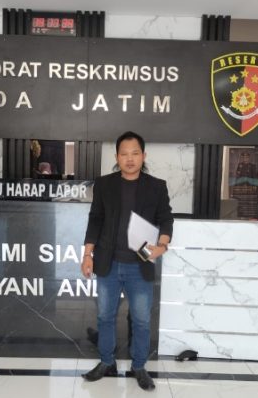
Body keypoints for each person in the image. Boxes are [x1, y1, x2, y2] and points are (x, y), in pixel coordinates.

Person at [80, 131, 173, 391]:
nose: (129, 159)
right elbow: (95, 219)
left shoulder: (156, 186)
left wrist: (162, 246)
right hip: (108, 263)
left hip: (139, 264)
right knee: (105, 316)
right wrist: (87, 255)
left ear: (143, 156)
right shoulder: (104, 184)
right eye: (124, 154)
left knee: (141, 320)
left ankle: (139, 366)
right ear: (116, 157)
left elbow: (166, 218)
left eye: (135, 153)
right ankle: (106, 362)